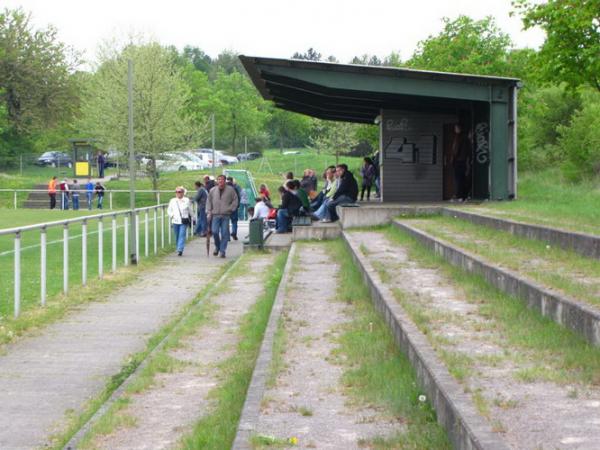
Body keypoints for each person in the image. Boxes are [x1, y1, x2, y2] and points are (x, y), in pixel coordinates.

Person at [207, 174, 238, 258]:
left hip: (226, 215)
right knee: (215, 232)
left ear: (225, 181)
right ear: (217, 181)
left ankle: (222, 250)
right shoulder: (212, 190)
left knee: (225, 233)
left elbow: (235, 200)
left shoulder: (230, 190)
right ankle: (218, 246)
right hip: (215, 215)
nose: (220, 181)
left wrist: (231, 209)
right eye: (219, 180)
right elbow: (209, 201)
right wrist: (209, 211)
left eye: (222, 180)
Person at [167, 186, 192, 256]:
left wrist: (193, 217)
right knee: (177, 235)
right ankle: (178, 247)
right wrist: (172, 215)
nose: (178, 193)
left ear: (183, 193)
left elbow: (189, 209)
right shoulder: (172, 200)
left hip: (184, 220)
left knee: (182, 234)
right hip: (175, 221)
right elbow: (169, 210)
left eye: (179, 192)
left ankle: (180, 249)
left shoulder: (186, 200)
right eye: (176, 192)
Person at [450, 124, 472, 202]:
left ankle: (460, 195)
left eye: (456, 128)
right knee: (461, 178)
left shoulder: (460, 138)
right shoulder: (465, 138)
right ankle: (462, 195)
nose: (455, 130)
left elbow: (456, 150)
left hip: (459, 161)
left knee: (459, 179)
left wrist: (454, 159)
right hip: (462, 160)